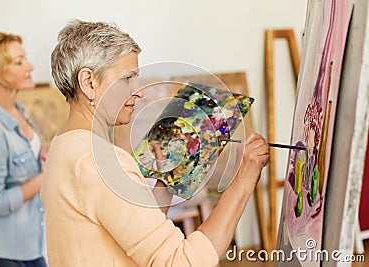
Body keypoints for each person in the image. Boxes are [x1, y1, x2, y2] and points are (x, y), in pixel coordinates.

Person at [41, 20, 269, 267]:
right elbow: (181, 262)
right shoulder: (101, 162)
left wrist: (165, 181)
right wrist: (245, 177)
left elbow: (135, 237)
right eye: (127, 78)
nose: (138, 91)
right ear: (89, 82)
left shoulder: (63, 146)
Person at [0, 32, 47, 267]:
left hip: (31, 235)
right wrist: (45, 178)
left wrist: (42, 151)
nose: (30, 66)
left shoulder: (17, 109)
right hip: (11, 246)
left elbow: (19, 155)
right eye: (19, 62)